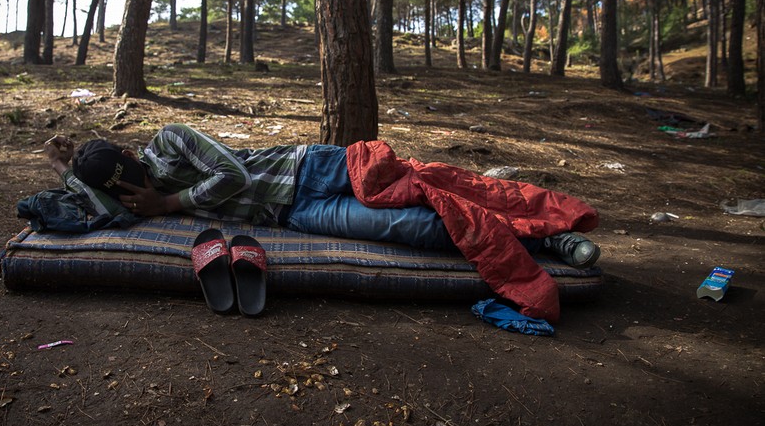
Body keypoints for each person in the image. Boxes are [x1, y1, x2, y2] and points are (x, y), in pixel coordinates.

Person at [43, 124, 600, 321]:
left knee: (430, 187)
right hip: (295, 212)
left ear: (129, 153)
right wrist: (63, 164)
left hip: (311, 166)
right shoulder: (124, 195)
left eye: (127, 173)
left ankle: (555, 234)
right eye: (121, 187)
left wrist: (169, 203)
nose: (132, 186)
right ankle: (544, 249)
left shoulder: (169, 140)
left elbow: (232, 173)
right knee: (411, 228)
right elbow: (98, 206)